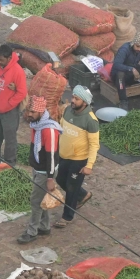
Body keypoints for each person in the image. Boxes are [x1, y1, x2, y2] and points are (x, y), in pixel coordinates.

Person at [18, 96, 61, 245]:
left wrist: (50, 179)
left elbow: (52, 156)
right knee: (41, 199)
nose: (29, 114)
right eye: (29, 110)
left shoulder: (48, 130)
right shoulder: (36, 125)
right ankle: (44, 226)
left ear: (41, 111)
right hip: (38, 168)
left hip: (45, 172)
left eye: (33, 112)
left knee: (35, 201)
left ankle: (32, 232)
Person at [55, 86, 99, 229]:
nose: (72, 100)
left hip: (79, 159)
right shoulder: (68, 110)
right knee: (60, 179)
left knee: (71, 187)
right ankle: (83, 195)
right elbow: (61, 129)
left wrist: (89, 165)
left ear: (85, 102)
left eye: (76, 99)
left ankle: (67, 216)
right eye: (73, 97)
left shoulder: (91, 120)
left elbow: (94, 145)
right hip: (63, 155)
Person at [0, 44, 27, 166]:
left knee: (10, 138)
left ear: (9, 58)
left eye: (1, 60)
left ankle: (9, 162)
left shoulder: (18, 71)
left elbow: (22, 92)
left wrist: (9, 104)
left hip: (10, 111)